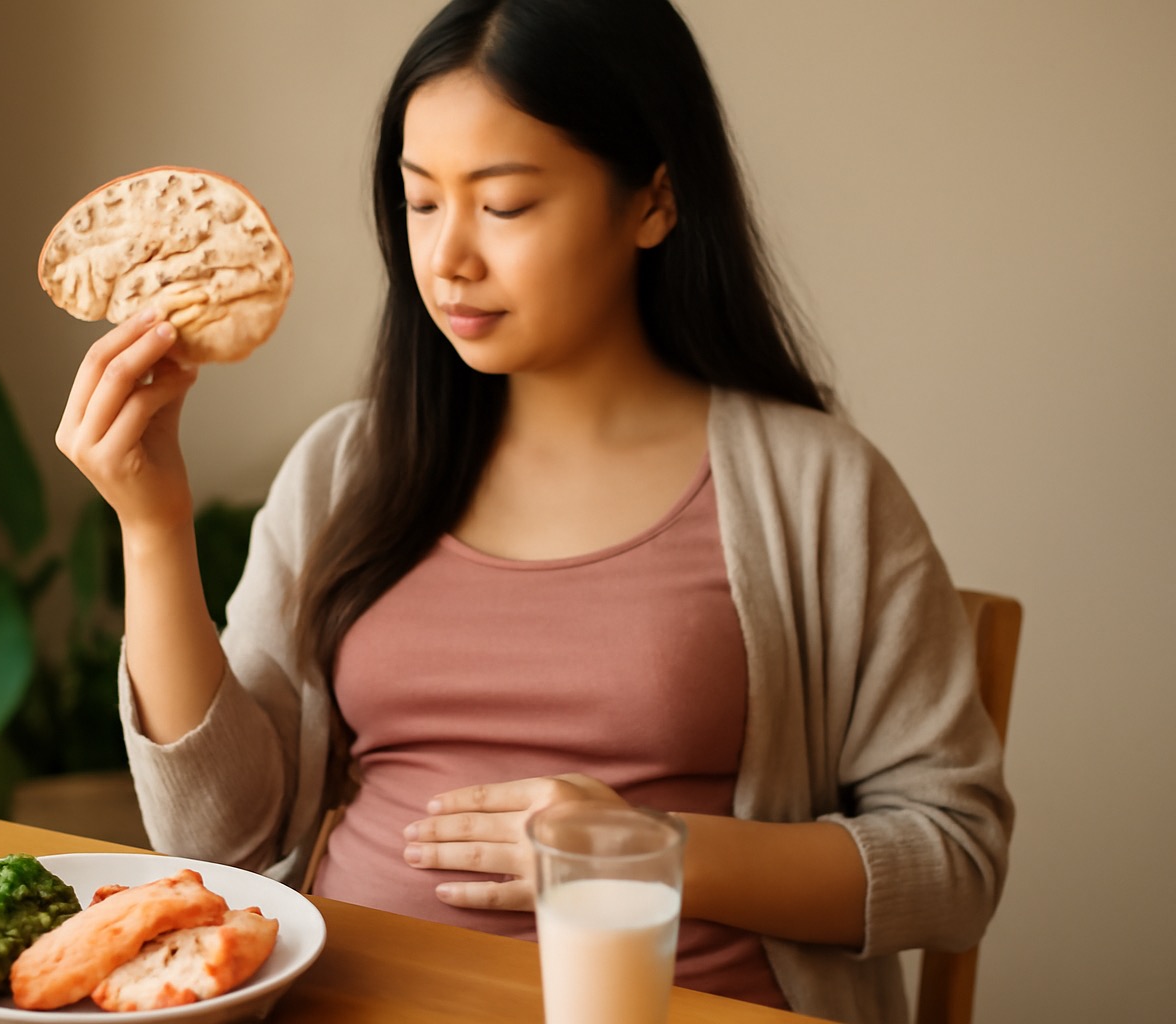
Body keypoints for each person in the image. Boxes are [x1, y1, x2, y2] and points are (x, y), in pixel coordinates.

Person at [54, 1, 1012, 1021]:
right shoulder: (345, 467)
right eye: (422, 202)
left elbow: (955, 860)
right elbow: (221, 842)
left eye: (505, 205)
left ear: (654, 201)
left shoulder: (817, 488)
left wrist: (649, 850)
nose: (448, 258)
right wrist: (152, 526)